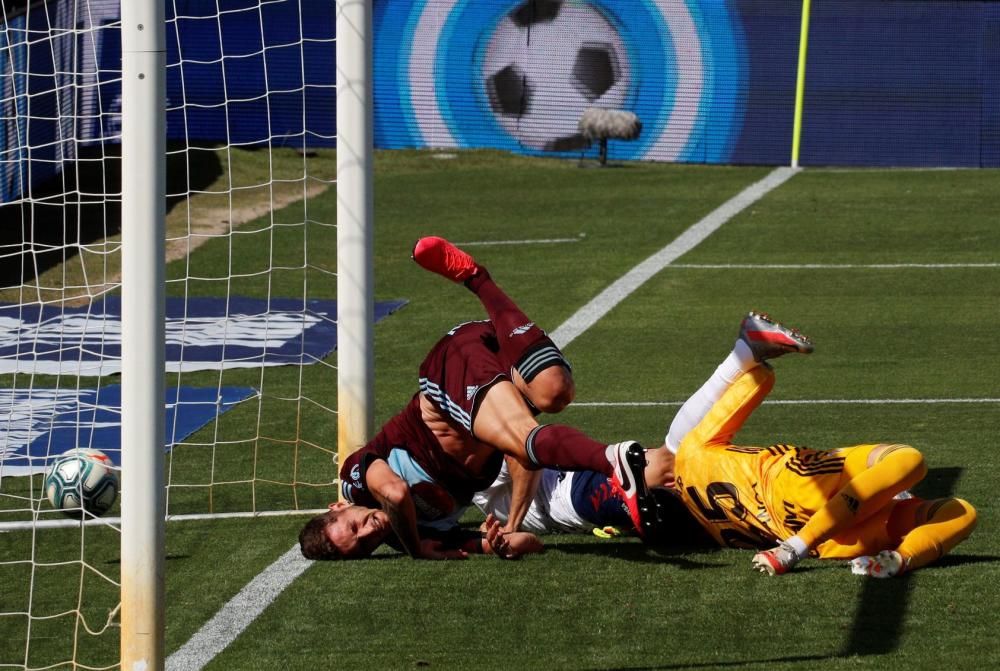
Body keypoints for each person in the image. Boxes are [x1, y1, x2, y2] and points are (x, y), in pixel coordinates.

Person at [475, 312, 978, 578]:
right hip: (718, 513)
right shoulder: (854, 537)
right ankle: (744, 350)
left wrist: (797, 551)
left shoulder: (847, 526)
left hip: (717, 489)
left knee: (679, 450)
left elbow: (935, 488)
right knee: (669, 455)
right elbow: (955, 510)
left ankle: (744, 351)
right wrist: (901, 557)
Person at [298, 237, 659, 560]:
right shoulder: (429, 532)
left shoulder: (355, 481)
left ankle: (611, 460)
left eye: (354, 527)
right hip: (485, 392)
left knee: (523, 435)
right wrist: (508, 535)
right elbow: (520, 533)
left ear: (339, 506)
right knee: (554, 393)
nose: (369, 531)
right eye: (363, 545)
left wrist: (416, 551)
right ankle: (476, 278)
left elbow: (393, 492)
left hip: (448, 373)